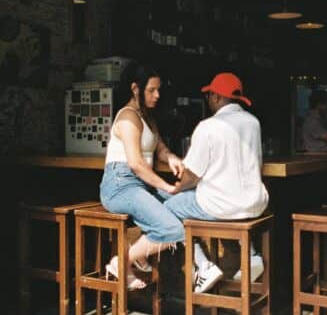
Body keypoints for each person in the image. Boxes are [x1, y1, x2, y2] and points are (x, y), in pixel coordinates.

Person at [164, 72, 269, 293]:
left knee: (167, 209)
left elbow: (191, 175)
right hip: (256, 203)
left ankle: (203, 265)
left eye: (210, 95)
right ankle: (250, 254)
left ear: (217, 97)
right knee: (226, 205)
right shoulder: (254, 122)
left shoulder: (208, 126)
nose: (208, 99)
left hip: (221, 205)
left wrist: (175, 189)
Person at [100, 62, 186, 290]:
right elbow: (136, 164)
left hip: (141, 186)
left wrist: (171, 158)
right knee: (173, 229)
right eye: (151, 90)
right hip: (121, 186)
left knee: (184, 207)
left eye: (158, 90)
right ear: (135, 88)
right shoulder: (128, 118)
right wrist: (166, 187)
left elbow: (160, 149)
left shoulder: (148, 117)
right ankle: (122, 262)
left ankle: (139, 255)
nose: (157, 95)